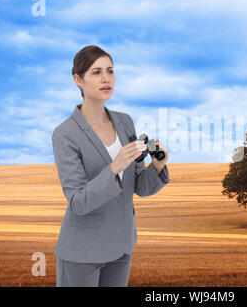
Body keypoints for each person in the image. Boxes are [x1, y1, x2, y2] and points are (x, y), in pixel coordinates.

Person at [51, 45, 170, 287]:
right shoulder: (65, 134)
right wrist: (115, 167)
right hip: (81, 251)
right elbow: (78, 201)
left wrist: (156, 167)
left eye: (110, 71)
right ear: (78, 80)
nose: (106, 78)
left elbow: (139, 187)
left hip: (121, 245)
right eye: (96, 72)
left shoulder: (125, 122)